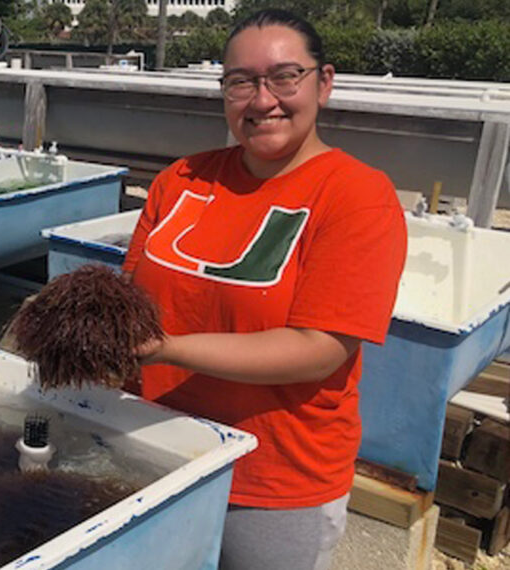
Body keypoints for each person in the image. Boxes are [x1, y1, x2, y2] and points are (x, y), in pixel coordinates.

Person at [122, 9, 407, 570]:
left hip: (274, 478)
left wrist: (164, 348)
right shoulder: (181, 179)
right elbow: (129, 295)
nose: (262, 100)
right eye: (241, 82)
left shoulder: (356, 197)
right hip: (153, 444)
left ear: (323, 83)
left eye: (284, 77)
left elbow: (316, 348)